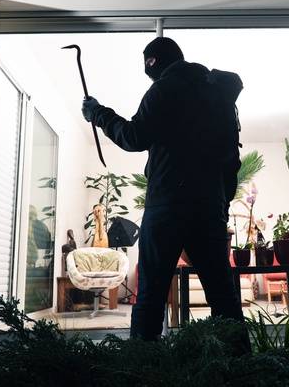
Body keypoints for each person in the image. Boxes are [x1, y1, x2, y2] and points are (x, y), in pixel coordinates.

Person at [81, 37, 249, 350]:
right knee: (223, 295)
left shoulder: (163, 89)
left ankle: (143, 366)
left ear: (152, 62)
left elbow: (134, 137)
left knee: (151, 295)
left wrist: (98, 113)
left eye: (146, 63)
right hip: (208, 209)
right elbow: (231, 160)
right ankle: (244, 367)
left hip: (167, 207)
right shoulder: (219, 94)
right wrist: (220, 205)